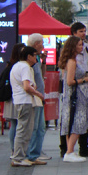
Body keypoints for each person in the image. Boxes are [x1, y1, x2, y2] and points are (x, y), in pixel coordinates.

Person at [8, 46, 46, 168]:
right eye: (35, 55)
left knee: (25, 129)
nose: (36, 58)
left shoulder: (17, 66)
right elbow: (26, 86)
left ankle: (21, 156)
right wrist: (38, 94)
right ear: (29, 56)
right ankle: (18, 157)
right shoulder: (25, 67)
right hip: (25, 101)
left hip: (20, 100)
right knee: (24, 130)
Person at [65, 22, 88, 158]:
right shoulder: (71, 56)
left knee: (84, 118)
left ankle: (83, 146)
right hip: (75, 91)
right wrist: (83, 80)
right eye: (81, 31)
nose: (84, 34)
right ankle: (67, 149)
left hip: (86, 89)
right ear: (74, 33)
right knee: (74, 119)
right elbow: (69, 79)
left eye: (84, 31)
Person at [57, 36, 88, 164]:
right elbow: (70, 81)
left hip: (75, 95)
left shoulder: (72, 60)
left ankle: (70, 150)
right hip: (75, 95)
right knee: (78, 121)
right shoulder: (72, 61)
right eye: (79, 45)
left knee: (71, 122)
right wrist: (84, 79)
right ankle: (69, 151)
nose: (81, 47)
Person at [24, 33, 51, 163]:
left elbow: (41, 75)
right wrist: (37, 93)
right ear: (36, 44)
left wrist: (44, 61)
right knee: (35, 127)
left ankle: (35, 152)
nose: (43, 45)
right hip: (35, 96)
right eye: (42, 43)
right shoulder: (30, 61)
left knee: (40, 127)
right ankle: (32, 153)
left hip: (39, 95)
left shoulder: (37, 59)